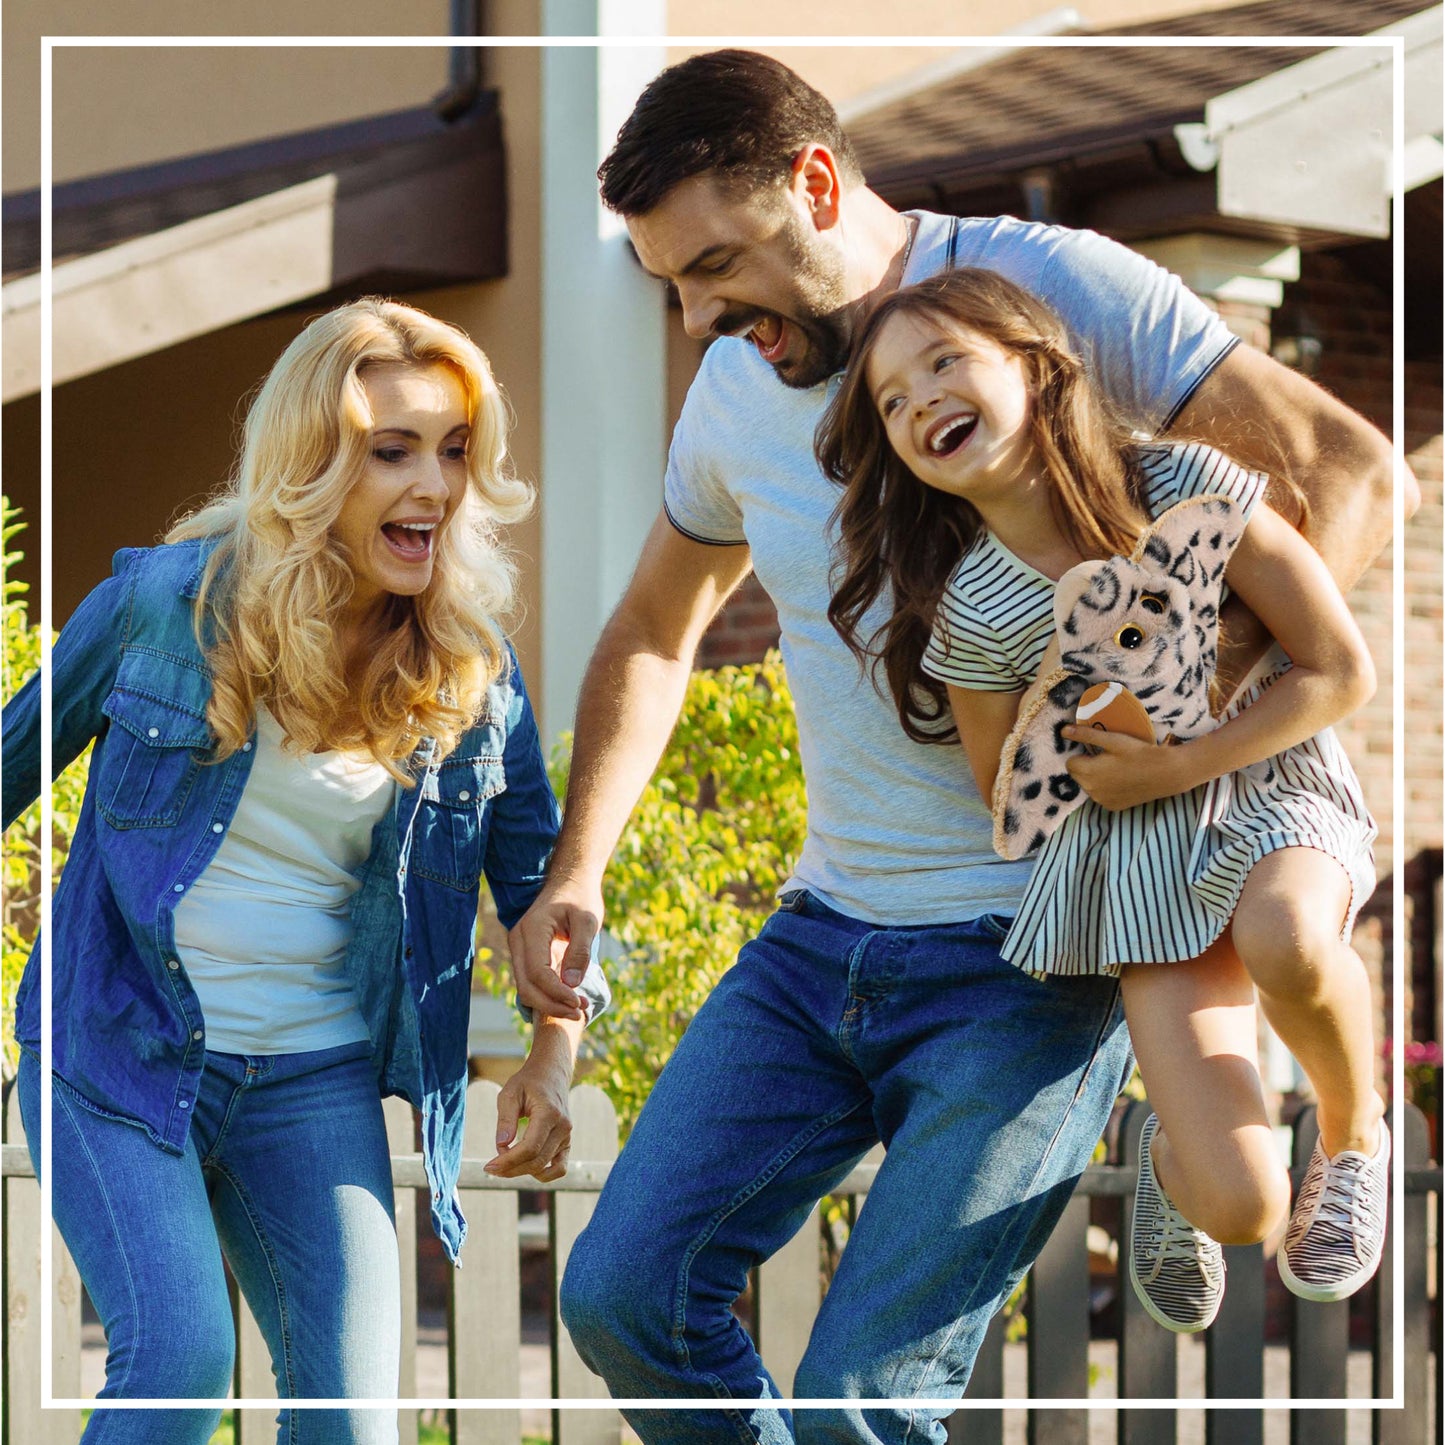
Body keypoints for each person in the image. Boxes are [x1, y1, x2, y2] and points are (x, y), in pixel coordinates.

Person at [509, 49, 1409, 1443]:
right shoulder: (740, 389)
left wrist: (1189, 714)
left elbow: (1342, 465)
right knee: (625, 1294)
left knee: (862, 1405)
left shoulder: (1046, 290)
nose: (694, 315)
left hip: (1031, 957)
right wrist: (579, 868)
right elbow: (649, 629)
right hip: (821, 939)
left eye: (712, 265)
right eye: (670, 286)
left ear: (814, 182)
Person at [1, 297, 608, 1445]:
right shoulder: (158, 610)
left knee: (352, 1422)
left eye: (452, 450)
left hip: (311, 1080)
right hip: (117, 1047)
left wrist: (553, 1054)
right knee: (179, 1361)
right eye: (392, 451)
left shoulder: (473, 670)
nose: (431, 484)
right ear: (314, 462)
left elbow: (544, 891)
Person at [819, 267, 1387, 1337]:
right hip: (1133, 861)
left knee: (1283, 931)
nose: (917, 399)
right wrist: (1088, 727)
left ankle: (1356, 1135)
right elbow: (1009, 798)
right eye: (890, 400)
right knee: (1241, 1203)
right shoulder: (977, 612)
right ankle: (1170, 1160)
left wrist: (1183, 753)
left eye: (943, 360)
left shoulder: (1181, 484)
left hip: (1267, 786)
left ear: (1034, 367)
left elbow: (1335, 669)